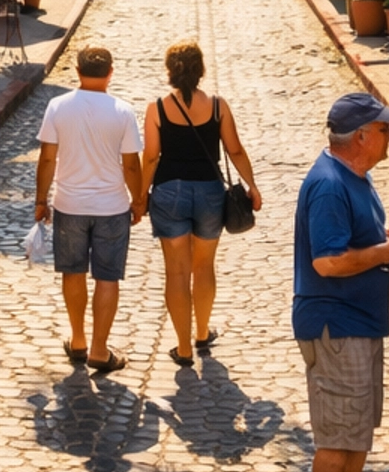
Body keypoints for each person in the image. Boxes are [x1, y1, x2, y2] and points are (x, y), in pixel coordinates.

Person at [291, 91, 389, 472]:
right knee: (338, 435)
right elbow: (328, 261)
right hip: (336, 323)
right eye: (384, 129)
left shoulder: (356, 177)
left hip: (357, 320)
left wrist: (386, 241)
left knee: (357, 427)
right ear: (361, 136)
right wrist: (386, 253)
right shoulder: (329, 185)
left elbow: (353, 245)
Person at [141, 42, 261, 365]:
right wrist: (252, 186)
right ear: (201, 70)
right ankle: (202, 332)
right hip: (210, 192)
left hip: (169, 192)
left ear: (170, 70)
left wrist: (140, 197)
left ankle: (182, 348)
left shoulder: (157, 109)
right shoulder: (219, 107)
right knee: (204, 266)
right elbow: (235, 150)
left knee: (177, 272)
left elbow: (151, 156)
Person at [34, 44, 145, 376]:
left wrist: (41, 200)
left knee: (73, 271)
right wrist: (138, 200)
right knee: (108, 277)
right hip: (111, 206)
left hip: (70, 204)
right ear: (111, 72)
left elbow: (48, 158)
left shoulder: (58, 107)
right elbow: (131, 165)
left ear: (78, 72)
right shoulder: (122, 111)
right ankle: (100, 349)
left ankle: (79, 339)